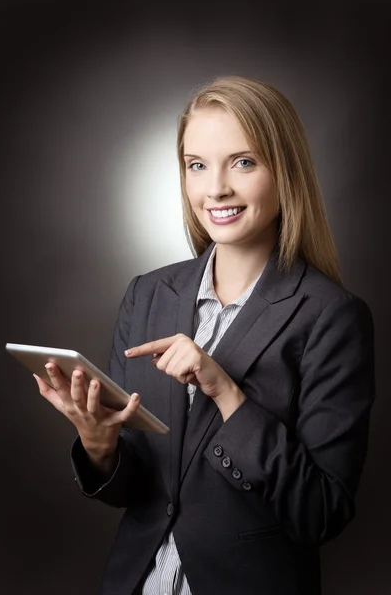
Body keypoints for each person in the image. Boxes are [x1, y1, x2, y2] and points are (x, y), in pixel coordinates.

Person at [34, 76, 375, 595]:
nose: (215, 188)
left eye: (243, 162)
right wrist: (99, 445)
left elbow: (321, 514)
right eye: (197, 165)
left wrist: (227, 392)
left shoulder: (332, 317)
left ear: (285, 172)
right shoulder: (147, 294)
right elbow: (139, 488)